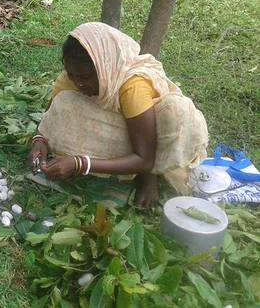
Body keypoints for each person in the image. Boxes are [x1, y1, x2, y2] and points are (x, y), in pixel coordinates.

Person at [28, 22, 209, 208]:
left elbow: (144, 158)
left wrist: (80, 164)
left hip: (149, 141)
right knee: (64, 101)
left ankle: (151, 176)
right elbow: (50, 117)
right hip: (121, 132)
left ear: (105, 69)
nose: (79, 83)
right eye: (72, 75)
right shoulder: (72, 77)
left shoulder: (133, 86)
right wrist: (39, 141)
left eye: (85, 78)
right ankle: (112, 165)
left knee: (174, 110)